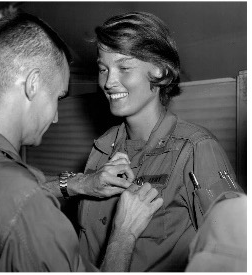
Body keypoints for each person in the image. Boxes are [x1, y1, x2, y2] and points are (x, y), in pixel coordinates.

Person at [0, 12, 163, 272]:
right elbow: (19, 197)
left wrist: (81, 183)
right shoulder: (29, 205)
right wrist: (124, 233)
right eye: (57, 98)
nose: (54, 117)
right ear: (33, 84)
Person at [43, 11, 244, 271]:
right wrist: (82, 183)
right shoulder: (102, 148)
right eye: (103, 69)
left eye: (124, 68)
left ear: (159, 71)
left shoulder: (196, 148)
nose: (108, 82)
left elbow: (235, 253)